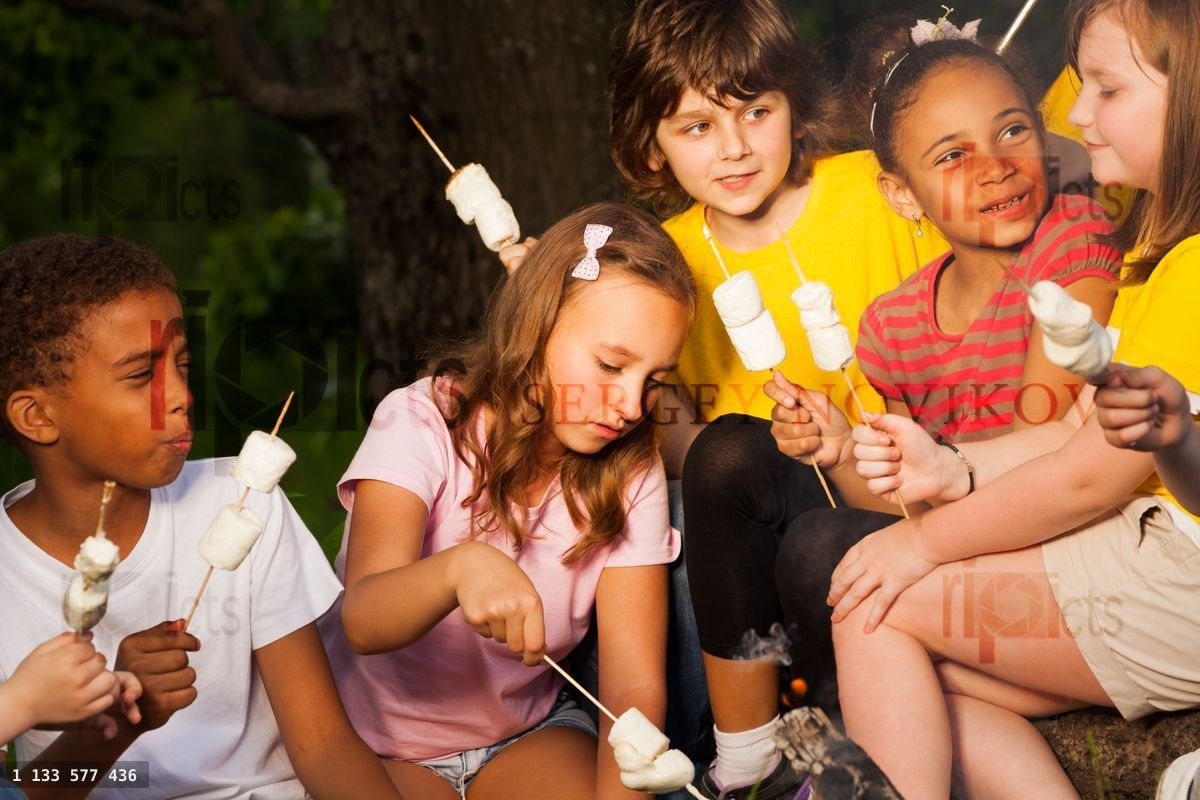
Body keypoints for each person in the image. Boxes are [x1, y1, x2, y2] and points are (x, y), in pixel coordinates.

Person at [826, 1, 1200, 795]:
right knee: (931, 672)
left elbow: (1085, 476)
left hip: (1185, 575)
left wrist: (924, 544)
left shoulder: (1189, 268)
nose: (1078, 115)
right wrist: (955, 467)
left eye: (1105, 90)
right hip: (1164, 547)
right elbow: (1075, 431)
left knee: (873, 607)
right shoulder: (1161, 255)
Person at [764, 6, 1122, 729]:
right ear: (902, 194)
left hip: (1058, 549)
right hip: (961, 553)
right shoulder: (891, 327)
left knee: (823, 551)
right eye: (952, 155)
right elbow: (901, 499)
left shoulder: (1075, 242)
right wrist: (841, 449)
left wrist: (934, 488)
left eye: (1013, 131)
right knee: (811, 538)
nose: (995, 168)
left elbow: (1043, 437)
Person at [0, 234, 405, 800]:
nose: (182, 395)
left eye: (182, 364)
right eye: (141, 375)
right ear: (38, 415)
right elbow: (33, 791)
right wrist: (124, 719)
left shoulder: (240, 501)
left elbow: (322, 743)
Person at [321, 202, 695, 800]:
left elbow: (630, 685)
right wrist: (457, 568)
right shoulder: (423, 422)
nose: (631, 405)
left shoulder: (632, 470)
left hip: (528, 735)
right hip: (381, 747)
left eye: (655, 379)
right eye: (610, 365)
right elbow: (363, 619)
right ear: (537, 326)